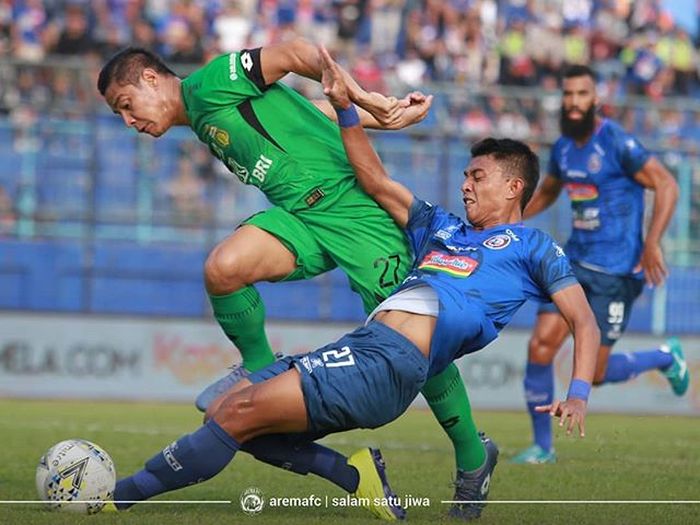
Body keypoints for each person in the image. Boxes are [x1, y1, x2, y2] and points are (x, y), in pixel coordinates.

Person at [102, 46, 601, 520]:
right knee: (224, 267)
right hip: (299, 213)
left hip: (353, 212)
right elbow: (307, 119)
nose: (129, 121)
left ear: (150, 78)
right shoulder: (208, 121)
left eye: (127, 105)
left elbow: (299, 51)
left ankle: (472, 452)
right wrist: (363, 116)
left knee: (415, 334)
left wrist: (367, 101)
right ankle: (260, 369)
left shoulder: (212, 83)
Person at [512, 64, 689, 465]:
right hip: (573, 263)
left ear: (596, 99)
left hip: (616, 271)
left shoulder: (617, 142)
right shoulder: (562, 148)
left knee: (592, 373)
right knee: (540, 347)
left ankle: (664, 356)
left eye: (581, 95)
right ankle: (543, 448)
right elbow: (551, 190)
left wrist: (652, 243)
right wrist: (511, 220)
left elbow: (667, 184)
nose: (574, 103)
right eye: (568, 94)